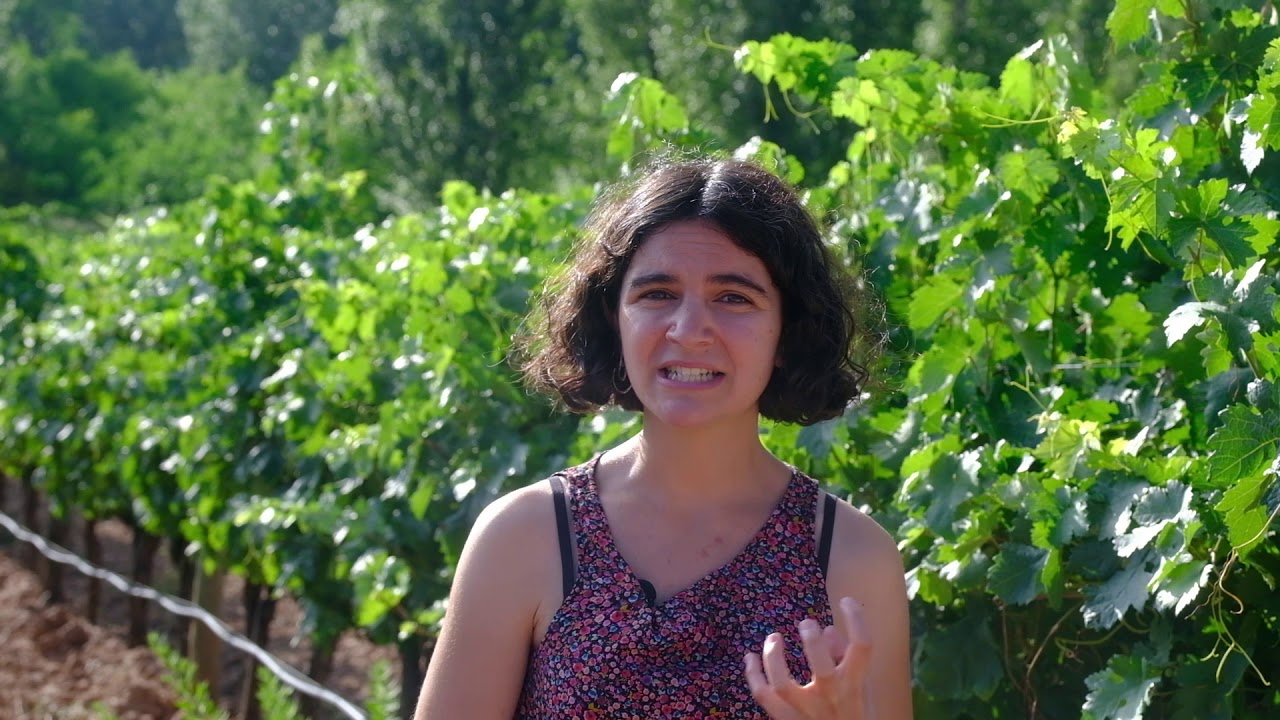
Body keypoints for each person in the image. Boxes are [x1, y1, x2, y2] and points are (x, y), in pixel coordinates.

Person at [414, 156, 912, 719]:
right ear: (614, 316)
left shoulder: (854, 558)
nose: (689, 330)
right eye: (657, 294)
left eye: (733, 297)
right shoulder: (522, 537)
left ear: (788, 329)